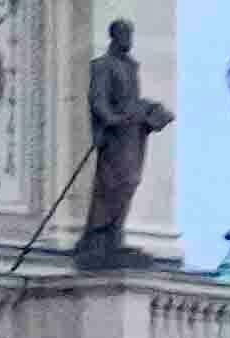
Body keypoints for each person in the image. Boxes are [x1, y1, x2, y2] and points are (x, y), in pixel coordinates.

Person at [77, 21, 171, 269]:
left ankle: (115, 234)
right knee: (113, 183)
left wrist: (150, 111)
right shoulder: (102, 65)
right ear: (114, 36)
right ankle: (99, 234)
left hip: (133, 132)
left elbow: (131, 99)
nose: (129, 39)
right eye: (125, 34)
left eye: (131, 34)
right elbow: (98, 99)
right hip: (116, 134)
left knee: (130, 181)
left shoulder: (130, 66)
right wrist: (110, 119)